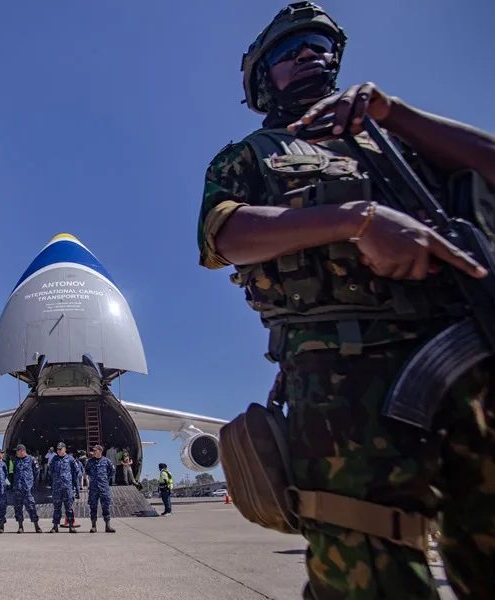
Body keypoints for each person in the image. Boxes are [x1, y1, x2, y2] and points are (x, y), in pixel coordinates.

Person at [198, 3, 495, 598]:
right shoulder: (251, 156)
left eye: (318, 44)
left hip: (470, 361)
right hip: (345, 375)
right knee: (367, 567)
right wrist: (356, 220)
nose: (309, 53)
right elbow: (224, 235)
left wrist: (397, 114)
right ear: (264, 78)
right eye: (289, 50)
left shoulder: (403, 145)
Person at [48, 442, 80, 533]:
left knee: (69, 508)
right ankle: (55, 526)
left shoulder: (70, 459)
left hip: (67, 488)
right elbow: (50, 472)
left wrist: (75, 487)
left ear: (65, 449)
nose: (58, 451)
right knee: (56, 508)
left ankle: (71, 526)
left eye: (60, 449)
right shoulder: (54, 459)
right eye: (57, 449)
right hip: (57, 488)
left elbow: (76, 472)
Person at [84, 445, 116, 533]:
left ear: (100, 451)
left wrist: (105, 478)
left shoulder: (106, 461)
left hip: (104, 487)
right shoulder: (90, 462)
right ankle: (93, 526)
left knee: (105, 506)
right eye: (93, 451)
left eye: (95, 450)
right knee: (93, 507)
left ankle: (108, 525)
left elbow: (112, 471)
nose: (93, 452)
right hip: (93, 488)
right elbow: (86, 471)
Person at [12, 444, 42, 533]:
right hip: (18, 489)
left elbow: (37, 472)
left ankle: (36, 526)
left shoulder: (31, 459)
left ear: (22, 451)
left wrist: (32, 483)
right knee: (18, 508)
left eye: (17, 451)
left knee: (31, 507)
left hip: (27, 488)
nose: (16, 453)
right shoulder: (15, 461)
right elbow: (13, 473)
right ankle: (20, 526)